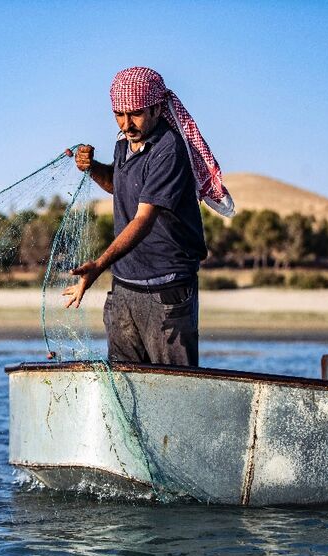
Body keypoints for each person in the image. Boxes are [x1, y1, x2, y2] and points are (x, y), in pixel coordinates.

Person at [62, 66, 235, 366]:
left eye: (135, 114)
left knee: (176, 388)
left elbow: (144, 219)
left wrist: (99, 266)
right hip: (125, 287)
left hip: (166, 290)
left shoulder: (169, 149)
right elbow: (118, 184)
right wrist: (92, 168)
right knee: (126, 388)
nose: (126, 124)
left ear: (157, 108)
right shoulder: (123, 144)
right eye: (119, 114)